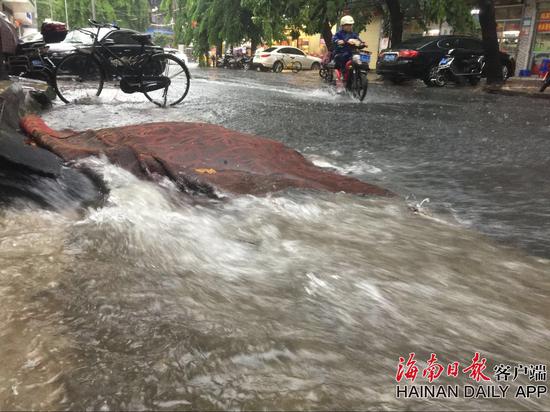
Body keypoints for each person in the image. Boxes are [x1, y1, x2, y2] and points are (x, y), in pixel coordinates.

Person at [332, 15, 365, 92]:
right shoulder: (338, 34)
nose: (349, 26)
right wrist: (338, 41)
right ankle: (343, 73)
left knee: (359, 57)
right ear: (343, 26)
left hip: (352, 53)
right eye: (347, 25)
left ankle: (359, 74)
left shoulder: (354, 34)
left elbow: (358, 40)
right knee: (343, 57)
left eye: (350, 25)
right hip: (340, 53)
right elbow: (334, 39)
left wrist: (362, 43)